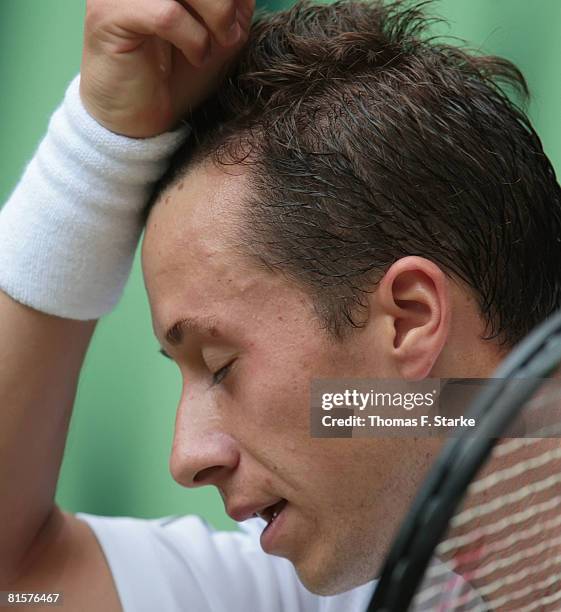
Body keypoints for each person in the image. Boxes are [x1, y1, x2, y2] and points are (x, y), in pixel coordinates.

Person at [0, 0, 560, 610]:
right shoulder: (329, 588)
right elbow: (18, 578)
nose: (186, 458)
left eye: (220, 364)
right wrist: (98, 144)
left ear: (409, 319)